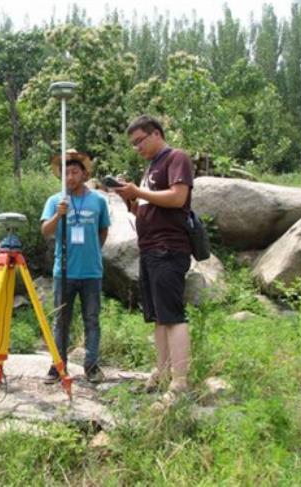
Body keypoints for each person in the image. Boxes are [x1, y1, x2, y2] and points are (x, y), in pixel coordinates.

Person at [114, 115, 193, 396]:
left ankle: (180, 381)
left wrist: (139, 190)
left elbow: (177, 198)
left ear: (156, 133)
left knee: (172, 315)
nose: (137, 148)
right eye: (133, 144)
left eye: (139, 141)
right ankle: (161, 373)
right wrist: (130, 199)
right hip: (149, 249)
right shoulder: (151, 168)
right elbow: (144, 211)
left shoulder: (176, 158)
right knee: (159, 317)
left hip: (168, 248)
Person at [41, 149, 111, 384]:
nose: (69, 177)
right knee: (61, 320)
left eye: (74, 172)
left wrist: (93, 251)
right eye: (65, 173)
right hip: (64, 272)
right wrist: (58, 215)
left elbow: (103, 230)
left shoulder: (98, 200)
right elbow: (45, 231)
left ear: (84, 173)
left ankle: (91, 366)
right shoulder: (55, 201)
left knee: (92, 320)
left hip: (91, 271)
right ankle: (57, 365)